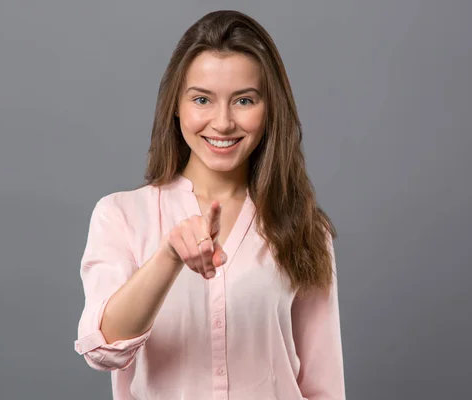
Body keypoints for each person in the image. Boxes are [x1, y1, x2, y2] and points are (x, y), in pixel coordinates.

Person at [74, 9, 345, 400]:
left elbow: (324, 387)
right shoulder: (121, 216)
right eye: (202, 99)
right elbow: (103, 348)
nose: (222, 123)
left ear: (270, 110)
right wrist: (168, 257)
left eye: (244, 101)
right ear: (176, 106)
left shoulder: (306, 228)